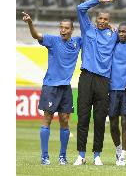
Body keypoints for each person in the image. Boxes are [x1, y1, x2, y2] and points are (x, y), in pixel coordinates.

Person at [22, 12, 82, 165]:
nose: (63, 30)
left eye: (66, 28)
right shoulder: (53, 40)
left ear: (72, 30)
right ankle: (45, 156)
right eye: (61, 27)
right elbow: (36, 35)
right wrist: (30, 22)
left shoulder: (78, 42)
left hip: (66, 88)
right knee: (47, 119)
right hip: (51, 86)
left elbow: (94, 37)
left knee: (64, 120)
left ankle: (62, 157)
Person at [74, 0, 118, 166]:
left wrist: (115, 28)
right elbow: (80, 8)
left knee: (100, 119)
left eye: (106, 20)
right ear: (96, 19)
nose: (102, 21)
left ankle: (97, 155)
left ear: (108, 22)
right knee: (83, 117)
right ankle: (81, 155)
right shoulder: (87, 29)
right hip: (86, 77)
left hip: (103, 80)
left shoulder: (113, 34)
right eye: (100, 18)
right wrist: (98, 1)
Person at [108, 22, 126, 166]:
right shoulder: (113, 44)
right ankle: (118, 149)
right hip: (112, 89)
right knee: (113, 122)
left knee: (125, 121)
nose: (121, 34)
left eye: (124, 32)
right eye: (119, 31)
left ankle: (124, 155)